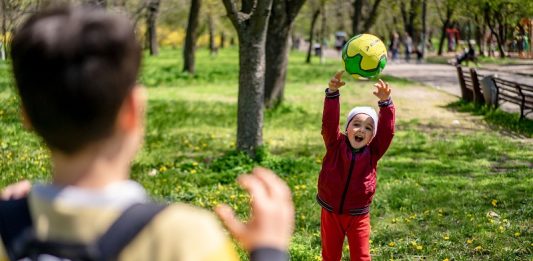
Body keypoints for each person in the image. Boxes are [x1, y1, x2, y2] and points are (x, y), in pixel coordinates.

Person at [0, 6, 294, 261]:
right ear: (133, 109)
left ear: (26, 115)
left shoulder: (7, 229)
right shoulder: (184, 238)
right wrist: (269, 250)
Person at [318, 71, 395, 261]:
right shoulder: (335, 145)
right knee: (330, 256)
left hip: (358, 215)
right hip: (331, 212)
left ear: (372, 137)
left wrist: (386, 104)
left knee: (361, 257)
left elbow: (387, 132)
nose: (361, 129)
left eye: (369, 128)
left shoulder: (373, 152)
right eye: (357, 124)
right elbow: (329, 123)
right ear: (346, 129)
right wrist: (332, 93)